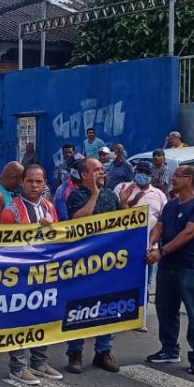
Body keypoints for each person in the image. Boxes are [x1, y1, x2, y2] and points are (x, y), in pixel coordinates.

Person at [145, 165, 194, 375]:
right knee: (166, 310)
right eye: (173, 176)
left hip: (189, 266)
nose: (173, 179)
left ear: (190, 179)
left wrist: (162, 251)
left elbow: (188, 233)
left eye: (177, 176)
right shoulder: (171, 204)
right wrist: (152, 242)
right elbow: (161, 226)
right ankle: (169, 349)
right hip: (167, 267)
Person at [1, 164, 64, 385]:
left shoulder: (49, 206)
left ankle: (39, 361)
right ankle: (17, 366)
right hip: (20, 276)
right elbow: (6, 246)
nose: (35, 185)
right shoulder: (12, 210)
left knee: (43, 317)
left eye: (39, 181)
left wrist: (50, 229)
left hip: (45, 274)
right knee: (19, 319)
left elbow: (57, 239)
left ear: (45, 183)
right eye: (30, 181)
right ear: (22, 182)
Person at [63, 157, 121, 374]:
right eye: (96, 170)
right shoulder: (76, 196)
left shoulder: (111, 195)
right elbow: (77, 221)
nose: (101, 172)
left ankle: (103, 351)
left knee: (107, 306)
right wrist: (94, 195)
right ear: (85, 175)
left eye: (102, 169)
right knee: (79, 306)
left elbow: (122, 224)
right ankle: (75, 352)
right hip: (82, 264)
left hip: (108, 264)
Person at [115, 163, 168, 325]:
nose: (142, 175)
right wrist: (126, 201)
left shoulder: (158, 194)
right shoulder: (122, 188)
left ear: (151, 176)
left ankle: (139, 318)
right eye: (139, 172)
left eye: (146, 173)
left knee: (145, 282)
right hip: (124, 247)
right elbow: (114, 216)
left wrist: (155, 244)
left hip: (149, 247)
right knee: (121, 282)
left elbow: (162, 221)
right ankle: (118, 316)